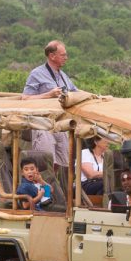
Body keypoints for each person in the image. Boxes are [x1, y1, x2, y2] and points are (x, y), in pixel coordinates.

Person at [22, 40, 79, 168]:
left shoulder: (63, 75)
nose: (66, 58)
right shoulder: (37, 73)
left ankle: (57, 188)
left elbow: (76, 92)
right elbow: (25, 98)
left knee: (63, 164)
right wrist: (49, 95)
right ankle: (44, 188)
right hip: (43, 125)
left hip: (60, 124)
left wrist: (96, 97)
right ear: (52, 56)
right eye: (63, 55)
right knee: (45, 164)